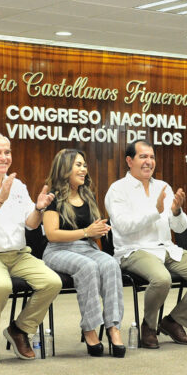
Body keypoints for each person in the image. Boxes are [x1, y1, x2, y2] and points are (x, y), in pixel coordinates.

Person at [104, 140, 187, 349]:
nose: (149, 162)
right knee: (161, 279)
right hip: (134, 250)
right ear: (129, 161)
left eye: (151, 157)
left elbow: (178, 227)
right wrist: (155, 210)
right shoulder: (117, 190)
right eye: (143, 157)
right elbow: (123, 226)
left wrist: (177, 211)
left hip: (166, 248)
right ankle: (149, 327)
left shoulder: (163, 186)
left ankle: (173, 322)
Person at [0, 132, 61, 364]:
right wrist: (0, 198)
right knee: (1, 286)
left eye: (7, 152)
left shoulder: (18, 185)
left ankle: (19, 329)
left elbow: (31, 224)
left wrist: (39, 208)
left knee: (52, 282)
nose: (4, 157)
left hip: (17, 255)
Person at [42, 149, 125, 357]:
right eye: (78, 165)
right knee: (88, 267)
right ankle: (89, 329)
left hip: (86, 247)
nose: (83, 169)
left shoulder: (87, 194)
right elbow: (52, 234)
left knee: (110, 264)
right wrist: (87, 231)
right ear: (64, 168)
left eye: (84, 165)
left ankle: (113, 327)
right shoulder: (53, 197)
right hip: (58, 251)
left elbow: (91, 231)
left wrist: (99, 229)